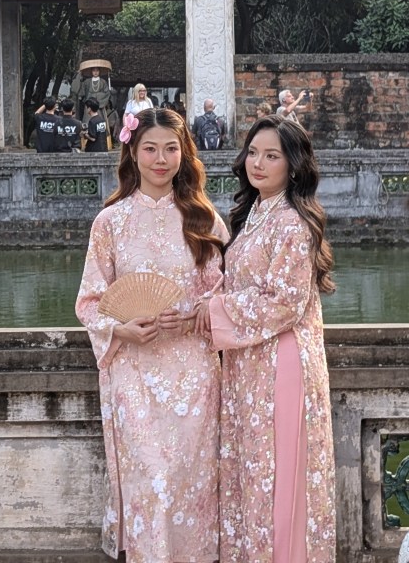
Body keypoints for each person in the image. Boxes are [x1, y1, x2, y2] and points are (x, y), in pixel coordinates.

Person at [76, 107, 229, 563]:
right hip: (134, 374)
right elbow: (89, 301)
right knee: (151, 480)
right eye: (150, 149)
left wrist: (193, 317)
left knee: (191, 481)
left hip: (193, 373)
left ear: (184, 153)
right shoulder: (110, 222)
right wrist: (120, 328)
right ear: (132, 152)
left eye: (170, 149)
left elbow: (223, 294)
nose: (160, 159)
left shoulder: (204, 220)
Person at [195, 114, 336, 563]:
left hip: (282, 363)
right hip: (249, 360)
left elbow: (286, 301)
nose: (257, 163)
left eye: (271, 155)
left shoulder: (292, 222)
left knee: (278, 477)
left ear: (293, 165)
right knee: (253, 471)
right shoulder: (255, 213)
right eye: (253, 153)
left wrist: (214, 311)